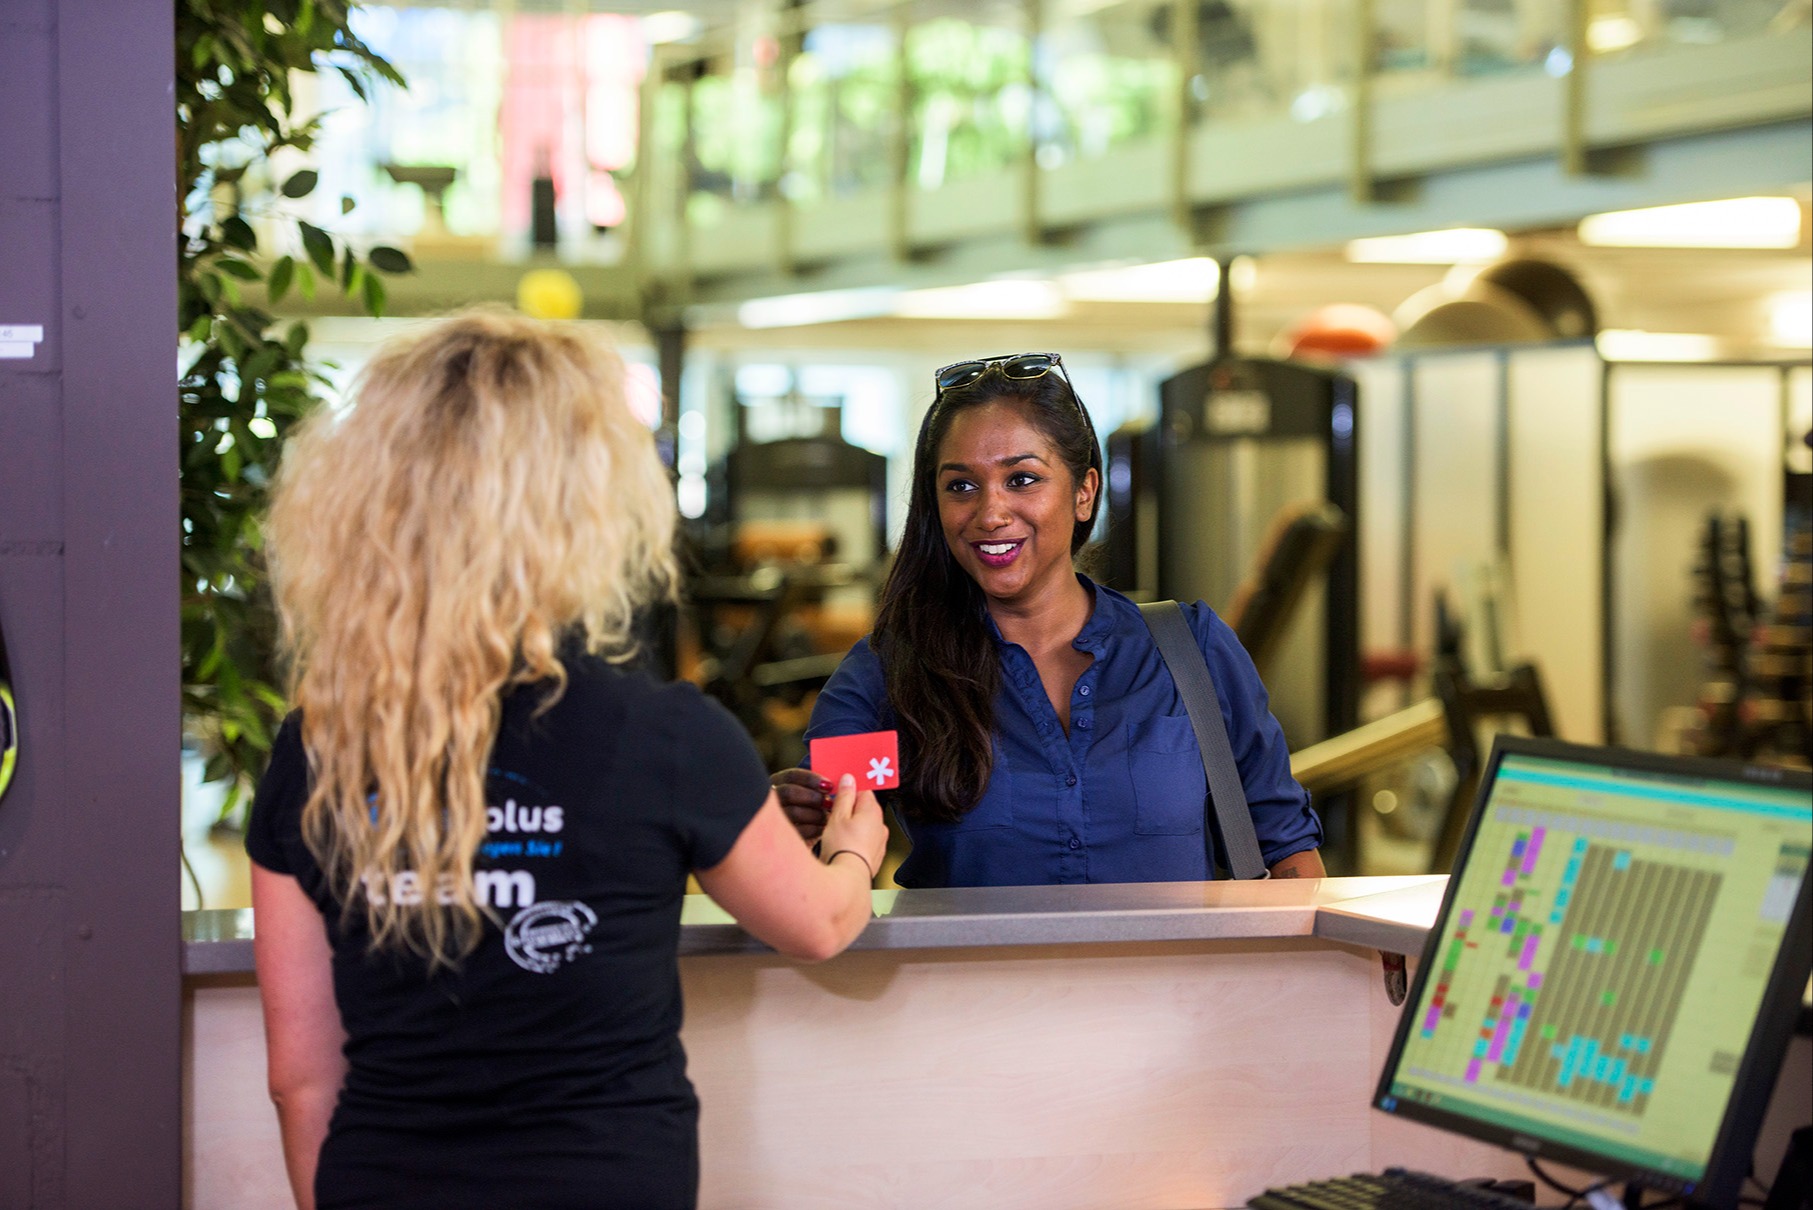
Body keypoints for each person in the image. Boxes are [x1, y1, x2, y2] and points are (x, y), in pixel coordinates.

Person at [247, 309, 888, 1210]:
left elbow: (299, 1078)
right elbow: (819, 925)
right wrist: (855, 845)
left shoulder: (317, 748)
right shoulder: (671, 736)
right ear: (580, 507)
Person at [772, 351, 1323, 887]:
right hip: (970, 981)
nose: (990, 513)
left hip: (1182, 981)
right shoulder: (892, 673)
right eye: (960, 485)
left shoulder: (1190, 652)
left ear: (1085, 492)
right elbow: (831, 831)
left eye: (1023, 479)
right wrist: (788, 823)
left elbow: (1287, 852)